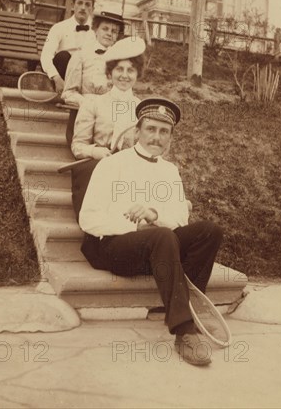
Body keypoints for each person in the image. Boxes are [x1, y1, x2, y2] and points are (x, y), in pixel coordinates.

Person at [78, 98, 223, 366]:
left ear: (170, 137)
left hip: (158, 248)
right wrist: (135, 225)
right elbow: (88, 219)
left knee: (209, 231)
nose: (156, 137)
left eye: (163, 131)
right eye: (151, 129)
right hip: (114, 248)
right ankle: (184, 332)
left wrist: (154, 214)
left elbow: (180, 217)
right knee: (163, 236)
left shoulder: (170, 170)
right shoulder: (112, 164)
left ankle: (190, 309)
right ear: (137, 130)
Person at [70, 36, 145, 220]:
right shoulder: (93, 103)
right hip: (95, 169)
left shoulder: (142, 108)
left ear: (137, 74)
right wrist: (95, 152)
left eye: (131, 70)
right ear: (110, 73)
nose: (124, 75)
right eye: (119, 69)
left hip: (126, 172)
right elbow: (77, 146)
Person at [39, 0, 98, 94]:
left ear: (92, 9)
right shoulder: (58, 28)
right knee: (63, 56)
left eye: (87, 4)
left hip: (86, 78)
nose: (83, 7)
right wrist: (56, 78)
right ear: (72, 5)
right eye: (79, 3)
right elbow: (45, 56)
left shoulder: (96, 32)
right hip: (63, 75)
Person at [62, 11, 126, 107]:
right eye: (105, 29)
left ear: (117, 36)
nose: (109, 34)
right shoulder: (80, 56)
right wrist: (86, 104)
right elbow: (69, 93)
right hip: (85, 111)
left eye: (114, 31)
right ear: (96, 29)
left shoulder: (121, 59)